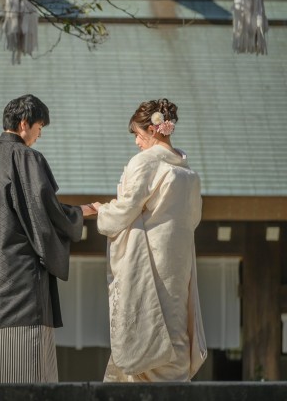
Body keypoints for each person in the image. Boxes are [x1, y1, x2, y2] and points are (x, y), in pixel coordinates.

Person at [0, 94, 96, 383]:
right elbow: (43, 212)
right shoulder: (26, 158)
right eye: (40, 127)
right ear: (24, 123)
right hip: (20, 288)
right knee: (26, 378)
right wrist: (80, 212)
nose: (40, 135)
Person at [92, 98, 207, 382]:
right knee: (174, 327)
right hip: (177, 263)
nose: (136, 142)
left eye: (138, 134)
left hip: (149, 262)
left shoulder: (145, 162)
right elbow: (192, 219)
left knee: (148, 328)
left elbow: (125, 210)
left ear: (154, 130)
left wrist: (102, 211)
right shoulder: (188, 172)